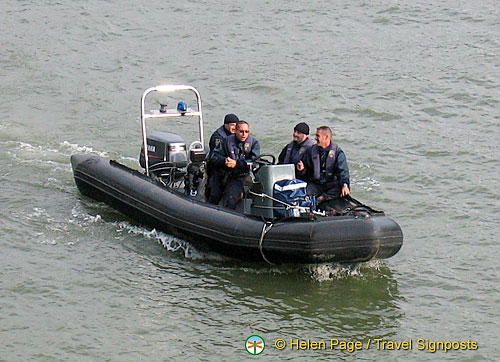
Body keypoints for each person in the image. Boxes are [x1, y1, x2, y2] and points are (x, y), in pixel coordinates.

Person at [208, 121, 260, 209]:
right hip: (223, 174)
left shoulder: (254, 144)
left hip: (240, 177)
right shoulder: (225, 141)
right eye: (241, 131)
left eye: (246, 132)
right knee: (214, 195)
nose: (244, 134)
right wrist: (224, 161)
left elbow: (254, 163)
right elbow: (214, 156)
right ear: (235, 131)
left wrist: (236, 164)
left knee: (231, 199)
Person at [297, 126, 350, 211]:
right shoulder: (311, 151)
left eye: (318, 136)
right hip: (316, 184)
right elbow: (305, 172)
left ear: (326, 137)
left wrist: (345, 185)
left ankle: (322, 198)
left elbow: (343, 171)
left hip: (331, 185)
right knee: (304, 194)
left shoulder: (338, 153)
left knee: (340, 189)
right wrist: (302, 170)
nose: (315, 138)